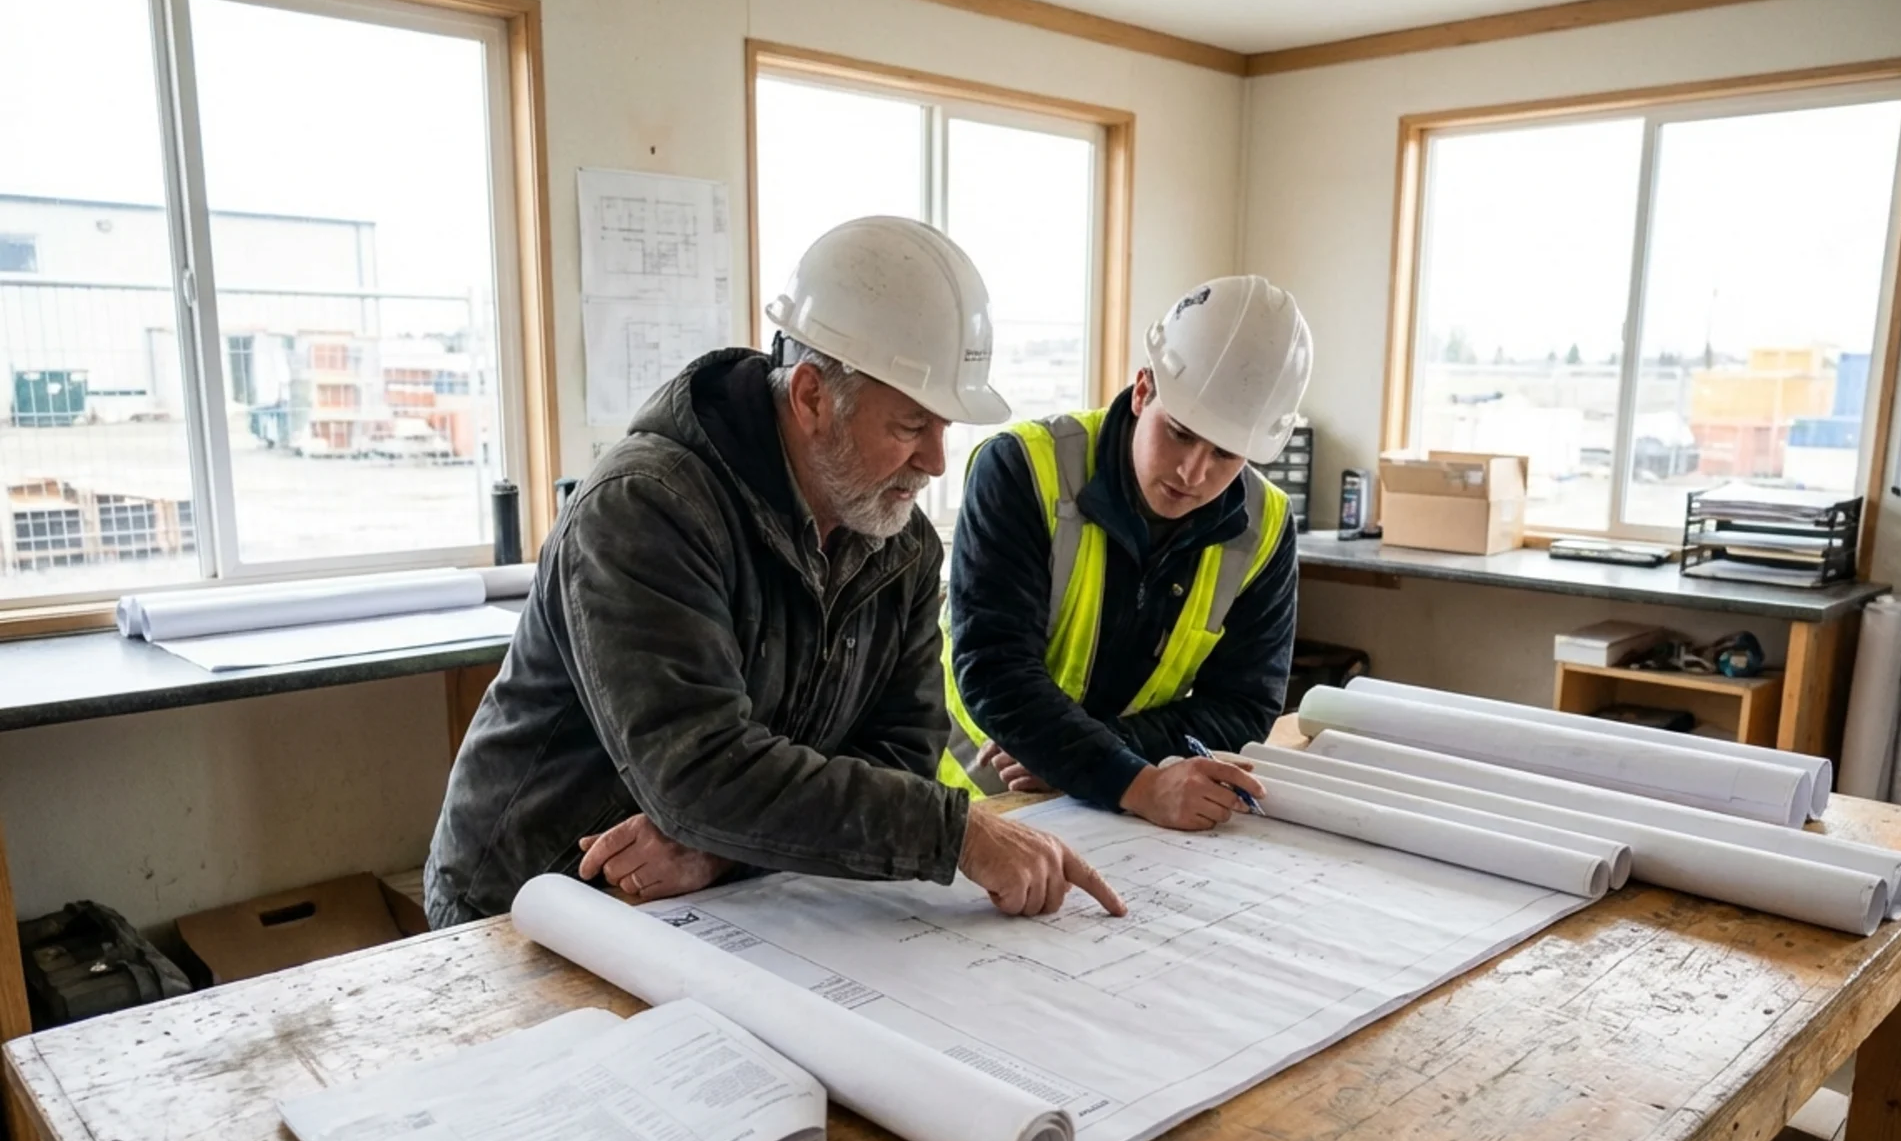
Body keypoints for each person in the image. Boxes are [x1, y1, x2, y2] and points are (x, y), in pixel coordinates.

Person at [426, 217, 1124, 928]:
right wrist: (959, 832)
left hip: (718, 897)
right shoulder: (647, 509)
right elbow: (695, 768)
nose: (938, 462)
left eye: (946, 427)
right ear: (814, 397)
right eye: (913, 425)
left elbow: (903, 754)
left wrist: (722, 849)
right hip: (527, 898)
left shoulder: (901, 544)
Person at [941, 276, 1311, 831]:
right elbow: (994, 669)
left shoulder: (1267, 527)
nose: (1193, 472)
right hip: (968, 799)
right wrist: (1130, 780)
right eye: (1180, 433)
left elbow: (1243, 706)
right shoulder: (1021, 469)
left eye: (1225, 454)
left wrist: (1092, 760)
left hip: (1114, 810)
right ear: (1143, 390)